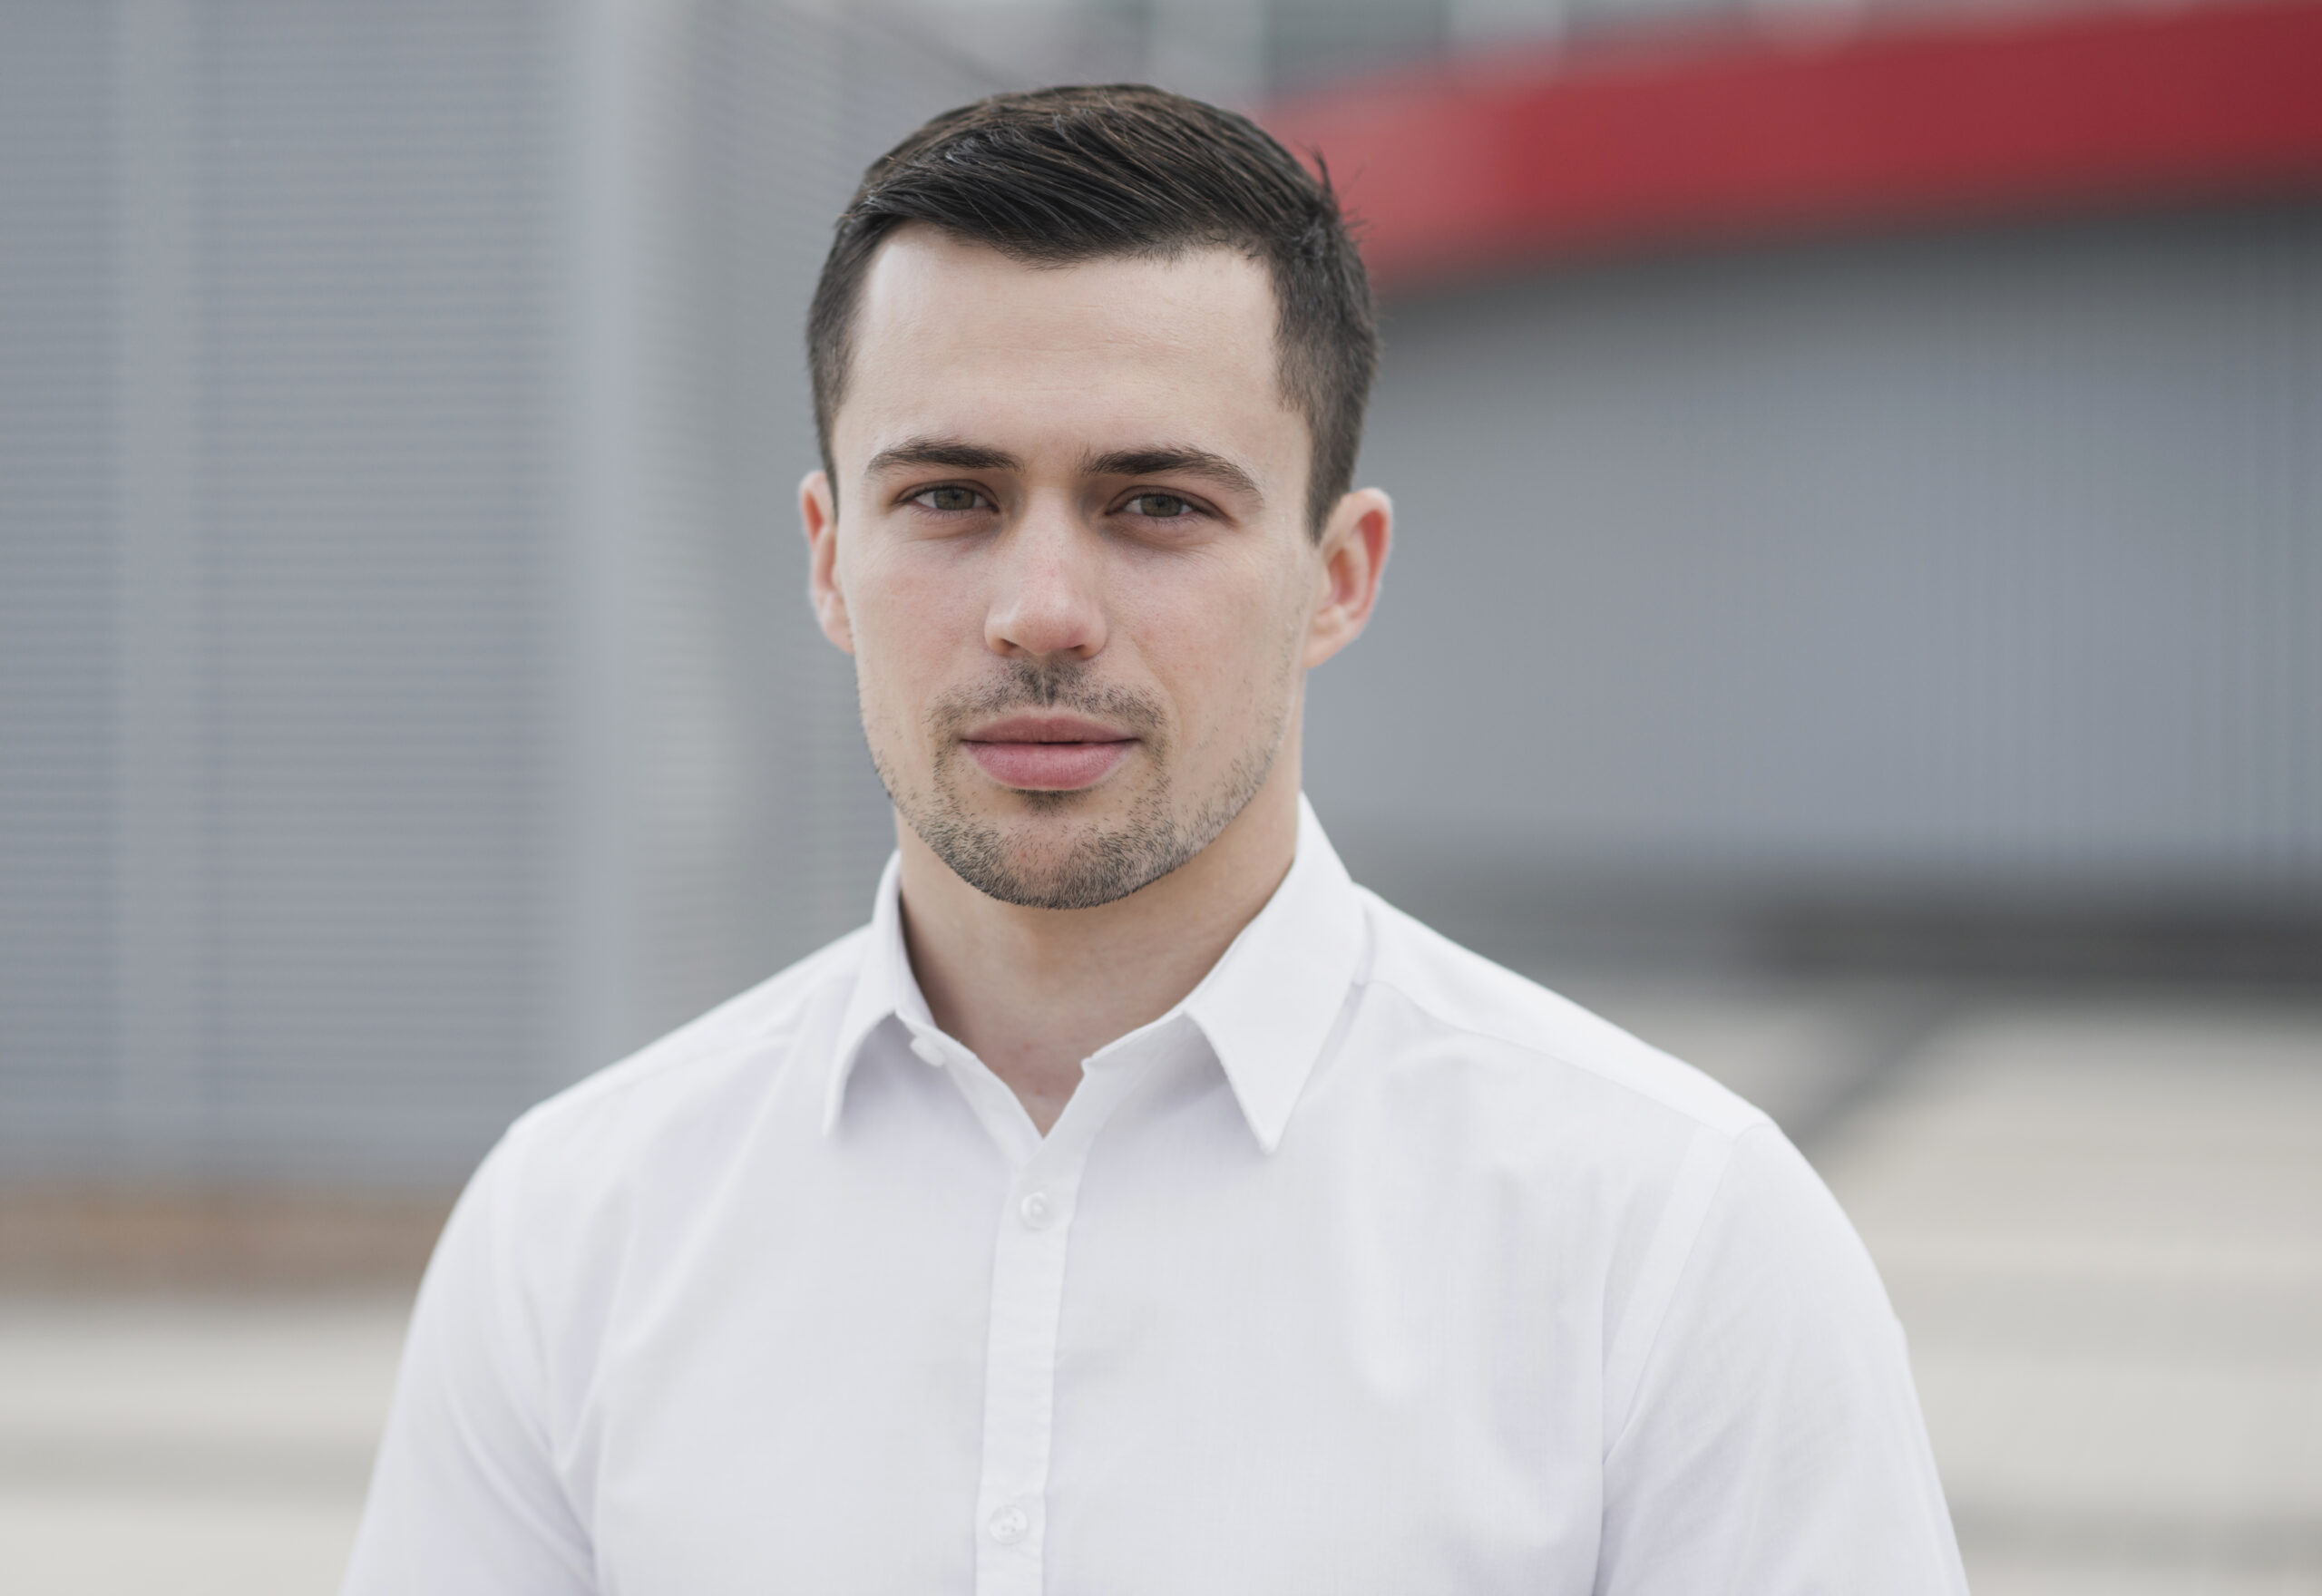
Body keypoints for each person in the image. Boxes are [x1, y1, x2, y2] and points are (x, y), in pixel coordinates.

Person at [344, 84, 1966, 1593]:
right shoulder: (573, 1227)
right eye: (952, 498)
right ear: (831, 559)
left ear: (1339, 574)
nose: (1042, 612)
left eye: (1157, 504)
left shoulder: (1669, 1243)